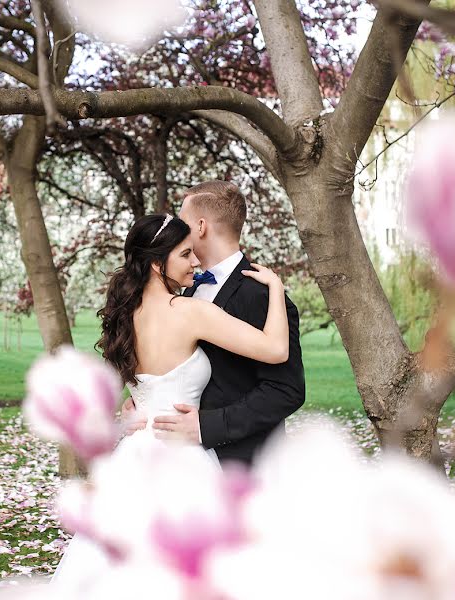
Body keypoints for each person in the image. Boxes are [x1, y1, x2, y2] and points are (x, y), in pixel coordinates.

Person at [51, 210, 290, 586]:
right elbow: (276, 349)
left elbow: (116, 391)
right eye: (184, 254)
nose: (195, 261)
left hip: (134, 455)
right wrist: (276, 288)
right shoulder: (189, 312)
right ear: (156, 263)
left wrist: (134, 404)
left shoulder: (123, 315)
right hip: (182, 458)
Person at [124, 180, 305, 465]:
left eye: (182, 221)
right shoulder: (185, 292)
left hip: (243, 463)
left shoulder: (262, 295)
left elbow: (286, 390)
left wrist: (206, 427)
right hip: (175, 458)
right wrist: (144, 404)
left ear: (200, 227)